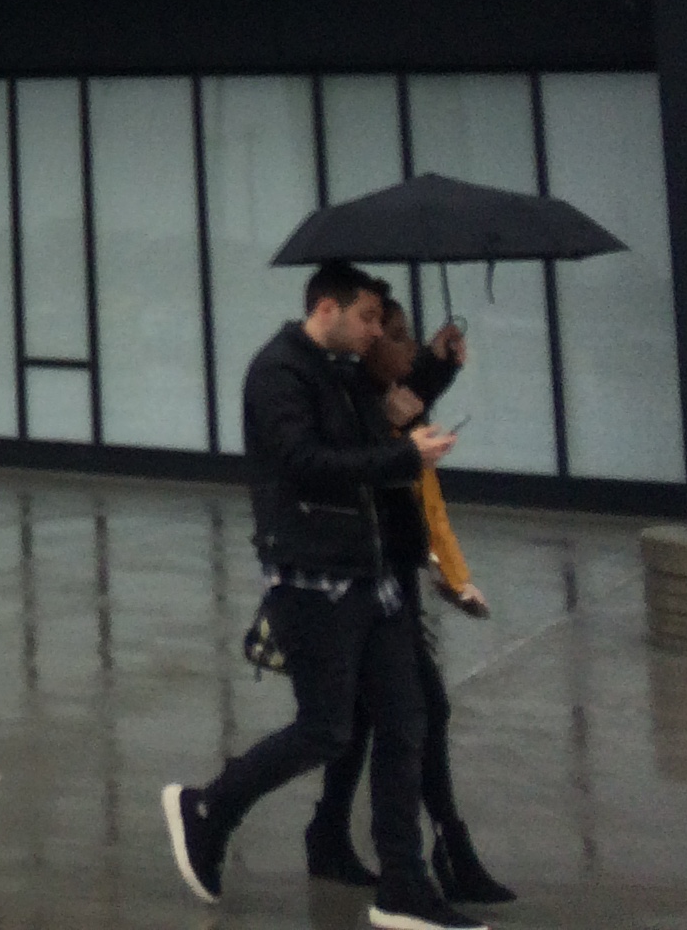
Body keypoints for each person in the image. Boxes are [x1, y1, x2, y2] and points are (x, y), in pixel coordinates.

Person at [162, 260, 482, 930]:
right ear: (327, 308)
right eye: (367, 317)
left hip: (371, 580)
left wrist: (437, 368)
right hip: (313, 580)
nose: (375, 331)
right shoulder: (280, 372)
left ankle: (404, 887)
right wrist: (402, 457)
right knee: (326, 729)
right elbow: (304, 461)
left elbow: (383, 414)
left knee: (406, 722)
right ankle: (209, 808)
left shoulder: (342, 374)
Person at [303, 296, 514, 907]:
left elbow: (406, 400)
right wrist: (394, 426)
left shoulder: (381, 392)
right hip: (362, 583)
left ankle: (332, 836)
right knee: (413, 712)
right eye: (383, 331)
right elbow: (353, 453)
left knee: (372, 717)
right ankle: (436, 853)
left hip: (390, 579)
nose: (397, 343)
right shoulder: (346, 392)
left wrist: (441, 365)